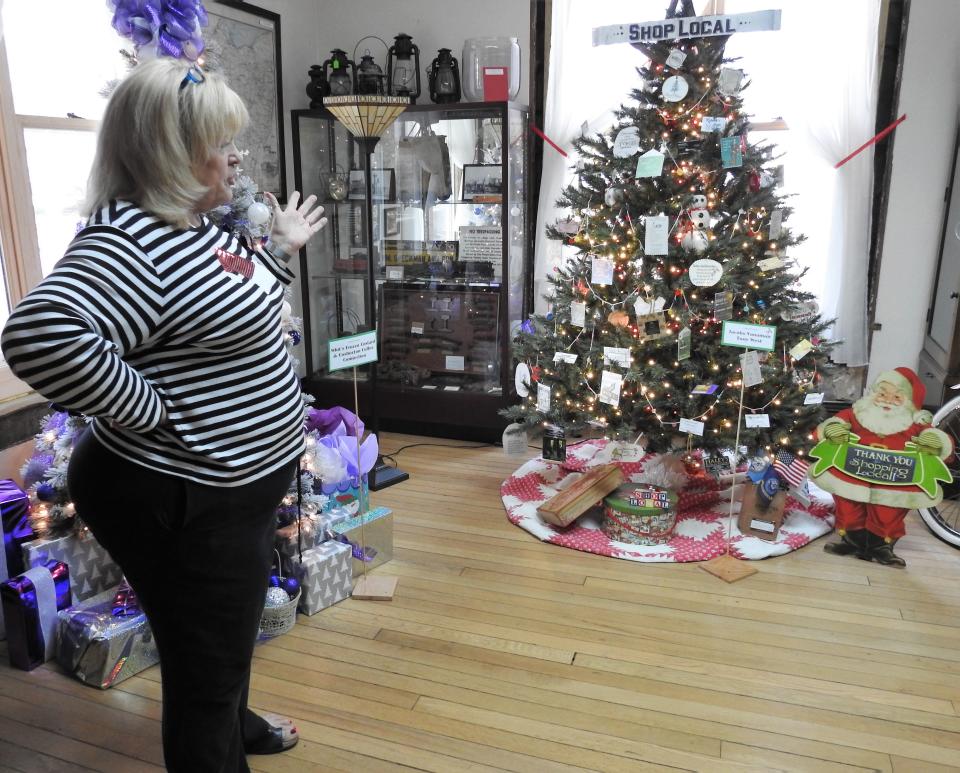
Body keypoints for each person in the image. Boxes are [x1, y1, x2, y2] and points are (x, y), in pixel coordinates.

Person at [1, 58, 327, 771]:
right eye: (219, 142)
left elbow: (223, 301)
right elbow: (36, 334)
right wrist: (150, 408)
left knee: (219, 637)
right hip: (182, 495)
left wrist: (277, 249)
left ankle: (233, 721)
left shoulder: (194, 224)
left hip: (229, 492)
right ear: (169, 154)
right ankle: (219, 737)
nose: (235, 155)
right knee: (202, 665)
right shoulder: (131, 239)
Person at [814, 368, 952, 567]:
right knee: (848, 506)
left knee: (888, 512)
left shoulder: (914, 421)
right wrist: (833, 428)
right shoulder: (859, 412)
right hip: (853, 472)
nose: (887, 400)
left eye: (897, 397)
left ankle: (881, 547)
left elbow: (938, 440)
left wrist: (933, 440)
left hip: (895, 479)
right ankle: (852, 541)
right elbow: (839, 420)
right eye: (882, 393)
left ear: (908, 401)